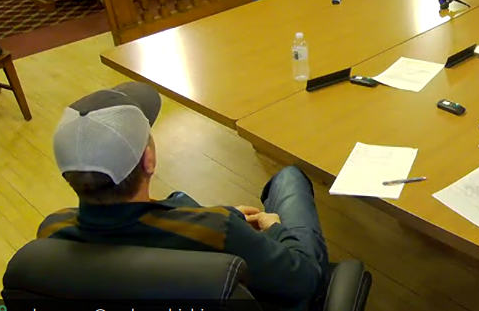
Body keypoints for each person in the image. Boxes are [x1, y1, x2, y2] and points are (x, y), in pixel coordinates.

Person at [38, 82, 329, 309]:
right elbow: (304, 281)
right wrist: (275, 229)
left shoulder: (52, 232)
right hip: (278, 298)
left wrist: (227, 215)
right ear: (148, 161)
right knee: (290, 177)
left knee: (181, 198)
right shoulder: (217, 231)